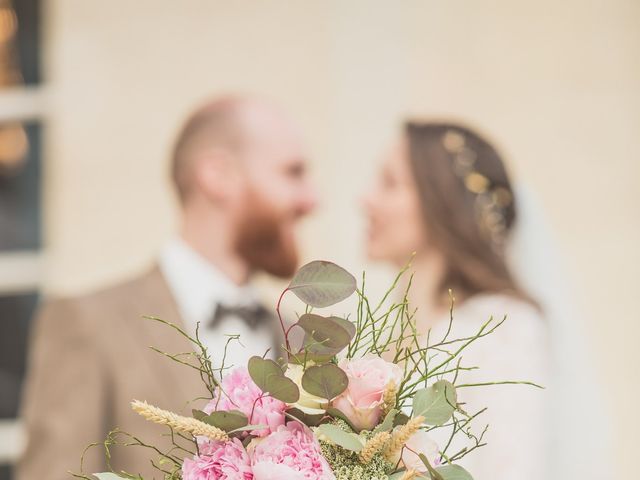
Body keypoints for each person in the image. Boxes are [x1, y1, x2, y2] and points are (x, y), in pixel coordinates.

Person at [17, 95, 317, 480]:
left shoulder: (303, 341)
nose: (312, 200)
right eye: (292, 173)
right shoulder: (88, 322)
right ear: (217, 175)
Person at [363, 121, 549, 479]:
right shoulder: (388, 332)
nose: (366, 199)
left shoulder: (502, 326)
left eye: (390, 183)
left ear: (441, 201)